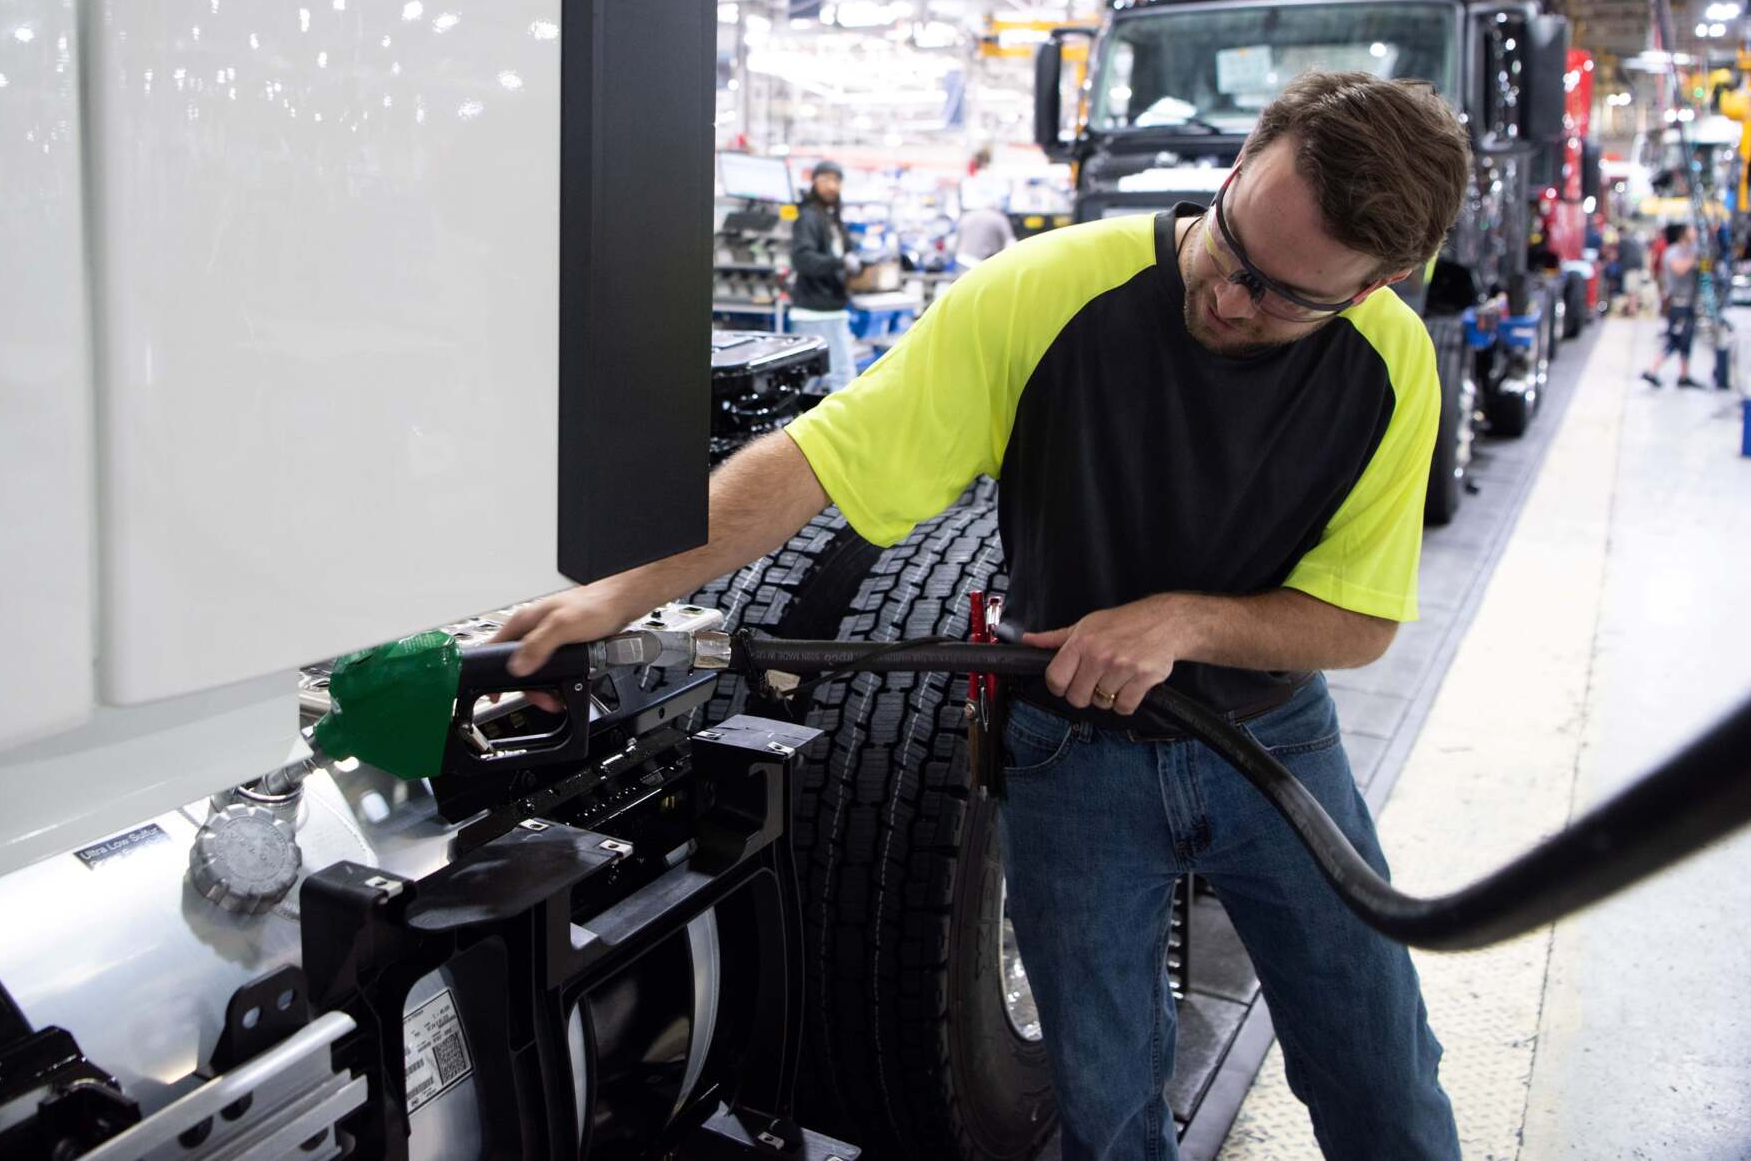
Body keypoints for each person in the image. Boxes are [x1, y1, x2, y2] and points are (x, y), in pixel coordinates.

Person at [496, 70, 1467, 1160]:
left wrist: (1180, 623)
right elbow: (817, 459)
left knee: (1379, 1070)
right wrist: (613, 593)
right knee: (1106, 1108)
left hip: (1273, 744)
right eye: (1233, 251)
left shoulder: (1390, 365)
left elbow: (1355, 621)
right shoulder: (1045, 293)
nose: (1234, 300)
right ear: (1239, 167)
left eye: (1289, 297)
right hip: (1074, 761)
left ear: (1384, 280)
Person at [789, 159, 857, 391]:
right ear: (814, 182)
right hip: (814, 313)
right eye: (825, 178)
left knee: (836, 379)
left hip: (831, 310)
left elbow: (843, 252)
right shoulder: (809, 217)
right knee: (835, 380)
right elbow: (803, 260)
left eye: (836, 180)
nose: (831, 185)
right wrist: (840, 262)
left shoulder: (832, 219)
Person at [1642, 223, 1701, 388]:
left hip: (1689, 303)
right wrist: (1695, 257)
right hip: (1678, 304)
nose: (1695, 232)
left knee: (1686, 341)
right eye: (1692, 229)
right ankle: (1651, 370)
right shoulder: (1674, 252)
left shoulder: (1689, 250)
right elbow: (1679, 269)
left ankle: (1684, 375)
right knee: (1674, 340)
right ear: (1682, 233)